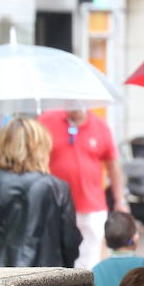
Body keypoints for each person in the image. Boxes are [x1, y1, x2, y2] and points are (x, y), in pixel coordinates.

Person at [0, 116, 80, 268]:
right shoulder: (58, 188)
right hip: (46, 276)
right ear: (42, 147)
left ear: (3, 145)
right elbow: (70, 243)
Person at [40, 108, 129, 269]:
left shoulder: (101, 127)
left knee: (89, 259)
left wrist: (119, 200)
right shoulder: (46, 121)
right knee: (56, 257)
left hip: (91, 205)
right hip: (55, 204)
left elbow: (113, 167)